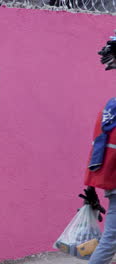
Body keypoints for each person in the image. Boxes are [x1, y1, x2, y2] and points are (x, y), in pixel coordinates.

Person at [83, 98, 116, 264]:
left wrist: (91, 184)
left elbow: (97, 148)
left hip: (111, 180)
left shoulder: (108, 111)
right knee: (111, 239)